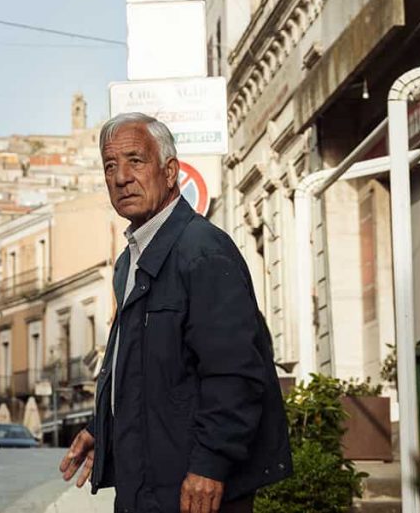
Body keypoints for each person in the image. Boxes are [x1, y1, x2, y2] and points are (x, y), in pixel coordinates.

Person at [59, 113, 291, 513]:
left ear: (170, 172)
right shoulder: (130, 262)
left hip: (195, 491)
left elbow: (234, 372)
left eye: (136, 160)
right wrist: (105, 429)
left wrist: (210, 464)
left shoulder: (201, 251)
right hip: (148, 487)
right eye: (110, 166)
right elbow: (146, 375)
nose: (121, 177)